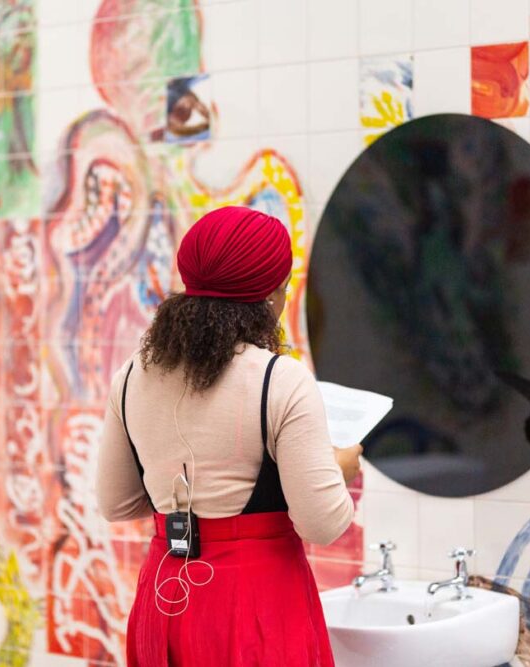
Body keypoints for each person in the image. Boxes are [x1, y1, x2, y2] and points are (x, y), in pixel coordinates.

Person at [96, 206, 362, 666]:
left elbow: (116, 503)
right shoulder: (280, 380)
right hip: (256, 602)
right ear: (272, 295)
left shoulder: (132, 375)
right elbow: (322, 524)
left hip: (165, 597)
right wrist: (340, 468)